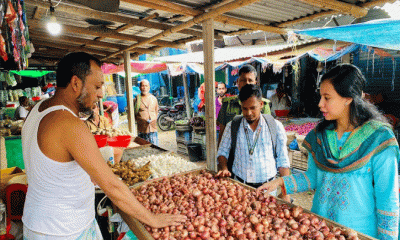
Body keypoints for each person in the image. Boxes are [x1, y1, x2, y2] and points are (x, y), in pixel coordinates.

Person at [21, 52, 186, 239]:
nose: (101, 94)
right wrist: (151, 219)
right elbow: (111, 185)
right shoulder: (68, 124)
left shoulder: (38, 109)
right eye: (97, 86)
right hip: (63, 231)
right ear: (75, 83)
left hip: (39, 224)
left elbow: (53, 165)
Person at [257, 64, 399, 239]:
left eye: (327, 98)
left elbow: (388, 199)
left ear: (348, 98)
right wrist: (280, 182)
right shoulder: (321, 136)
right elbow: (313, 177)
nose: (320, 104)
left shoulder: (378, 139)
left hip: (360, 234)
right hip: (320, 230)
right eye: (320, 96)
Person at [216, 84, 291, 201]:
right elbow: (222, 152)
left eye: (253, 108)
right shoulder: (232, 126)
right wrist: (224, 168)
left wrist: (286, 193)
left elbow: (283, 161)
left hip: (268, 190)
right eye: (245, 108)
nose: (249, 113)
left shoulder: (275, 126)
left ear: (261, 104)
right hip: (240, 188)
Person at [217, 64, 271, 145]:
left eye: (250, 80)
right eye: (243, 80)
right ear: (238, 82)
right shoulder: (227, 104)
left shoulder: (263, 104)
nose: (247, 83)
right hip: (232, 153)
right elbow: (222, 133)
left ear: (255, 83)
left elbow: (267, 134)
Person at [134, 79, 159, 145]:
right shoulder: (137, 99)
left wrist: (153, 119)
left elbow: (156, 111)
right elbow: (133, 114)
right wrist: (141, 120)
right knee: (143, 148)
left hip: (153, 129)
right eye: (143, 86)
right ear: (139, 88)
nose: (144, 88)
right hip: (142, 130)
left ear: (149, 87)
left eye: (146, 86)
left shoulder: (154, 98)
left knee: (155, 148)